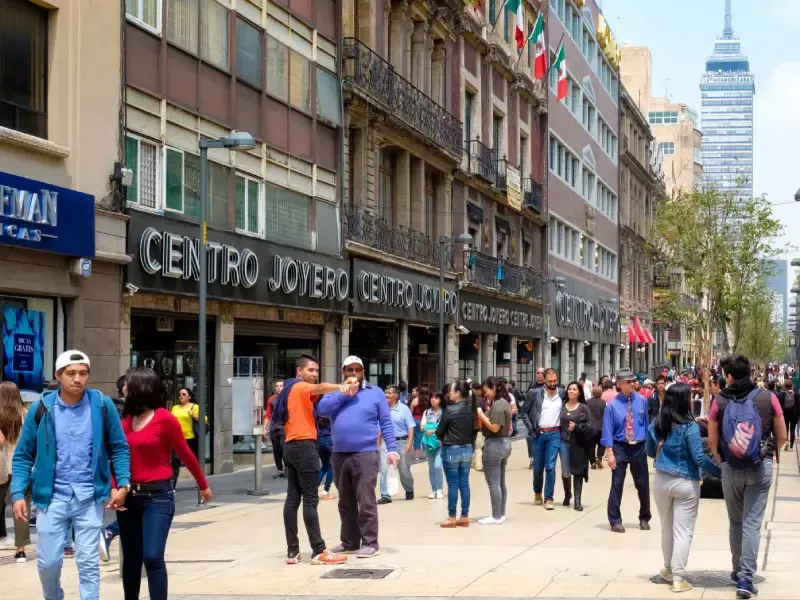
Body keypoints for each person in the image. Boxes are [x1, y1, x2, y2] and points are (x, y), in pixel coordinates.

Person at [10, 350, 131, 600]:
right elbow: (23, 455)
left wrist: (123, 483)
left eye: (83, 374)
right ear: (58, 375)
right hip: (51, 498)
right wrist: (18, 493)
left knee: (88, 563)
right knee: (48, 563)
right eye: (71, 373)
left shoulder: (101, 405)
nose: (78, 379)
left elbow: (119, 447)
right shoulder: (41, 409)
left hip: (89, 497)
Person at [118, 367, 212, 600]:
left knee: (152, 556)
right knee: (131, 558)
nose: (123, 388)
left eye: (128, 384)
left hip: (157, 497)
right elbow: (116, 455)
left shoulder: (165, 419)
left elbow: (185, 454)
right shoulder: (128, 419)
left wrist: (203, 484)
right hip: (129, 497)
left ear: (141, 387)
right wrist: (115, 486)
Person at [707, 354, 786, 599]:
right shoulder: (768, 397)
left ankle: (737, 568)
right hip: (760, 466)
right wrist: (770, 454)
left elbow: (711, 440)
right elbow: (782, 435)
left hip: (731, 467)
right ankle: (746, 578)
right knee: (752, 523)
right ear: (750, 373)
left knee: (736, 522)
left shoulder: (718, 401)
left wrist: (723, 462)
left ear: (728, 377)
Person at [317, 356, 399, 559]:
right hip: (339, 454)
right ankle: (349, 542)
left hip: (365, 453)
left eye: (357, 370)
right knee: (345, 502)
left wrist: (393, 450)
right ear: (343, 372)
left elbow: (386, 423)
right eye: (349, 370)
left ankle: (370, 542)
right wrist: (345, 394)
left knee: (366, 499)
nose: (353, 374)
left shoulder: (375, 393)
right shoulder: (335, 391)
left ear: (363, 371)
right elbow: (322, 410)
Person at [646, 383, 721, 594]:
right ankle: (679, 578)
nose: (691, 400)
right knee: (683, 531)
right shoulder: (690, 427)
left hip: (661, 480)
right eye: (689, 397)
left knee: (666, 527)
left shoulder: (657, 423)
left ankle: (669, 569)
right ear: (683, 400)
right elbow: (699, 458)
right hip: (686, 482)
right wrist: (719, 472)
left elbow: (650, 451)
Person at [282, 355, 352, 565]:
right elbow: (320, 388)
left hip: (291, 446)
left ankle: (293, 552)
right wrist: (342, 386)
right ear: (299, 371)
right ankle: (318, 550)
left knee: (292, 499)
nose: (314, 374)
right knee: (310, 501)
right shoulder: (301, 387)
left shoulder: (291, 391)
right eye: (310, 370)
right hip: (304, 447)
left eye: (316, 370)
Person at [601, 368, 651, 533]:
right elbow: (607, 430)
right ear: (620, 384)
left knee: (643, 484)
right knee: (617, 484)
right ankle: (615, 520)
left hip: (638, 446)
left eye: (633, 381)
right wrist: (610, 453)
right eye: (628, 382)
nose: (632, 384)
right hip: (620, 446)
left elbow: (646, 423)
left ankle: (644, 517)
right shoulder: (612, 406)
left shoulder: (642, 401)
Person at [436, 380, 477, 528]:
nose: (449, 393)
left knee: (453, 484)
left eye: (452, 391)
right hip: (467, 448)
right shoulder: (471, 409)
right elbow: (474, 430)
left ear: (458, 393)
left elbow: (439, 431)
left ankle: (452, 516)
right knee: (464, 483)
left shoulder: (450, 410)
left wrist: (443, 436)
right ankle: (464, 516)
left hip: (451, 448)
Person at [523, 368, 566, 510]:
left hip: (555, 433)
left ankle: (549, 498)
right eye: (550, 381)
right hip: (538, 434)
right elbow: (524, 412)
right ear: (544, 380)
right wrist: (531, 429)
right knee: (538, 467)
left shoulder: (562, 393)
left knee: (551, 467)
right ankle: (537, 492)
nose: (553, 383)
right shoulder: (535, 394)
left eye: (555, 380)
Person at [100, 373, 130, 563]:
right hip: (123, 471)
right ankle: (109, 532)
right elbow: (116, 448)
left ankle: (109, 532)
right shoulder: (118, 412)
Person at [0, 382, 30, 562]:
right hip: (21, 467)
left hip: (1, 467)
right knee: (22, 509)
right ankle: (20, 549)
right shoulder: (25, 414)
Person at [475, 377, 512, 525]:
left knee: (494, 483)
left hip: (495, 444)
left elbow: (494, 428)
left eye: (487, 391)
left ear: (494, 388)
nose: (485, 395)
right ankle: (500, 513)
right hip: (503, 444)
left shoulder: (498, 405)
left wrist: (481, 415)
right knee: (500, 482)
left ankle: (496, 515)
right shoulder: (504, 403)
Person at [377, 385, 415, 503]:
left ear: (396, 396)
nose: (386, 395)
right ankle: (385, 495)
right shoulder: (382, 409)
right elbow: (380, 428)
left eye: (389, 393)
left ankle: (409, 489)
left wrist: (409, 443)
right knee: (383, 468)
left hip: (402, 442)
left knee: (404, 470)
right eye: (386, 393)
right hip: (387, 442)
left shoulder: (404, 409)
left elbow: (410, 427)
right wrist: (377, 444)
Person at [560, 381, 594, 511]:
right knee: (565, 471)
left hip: (578, 443)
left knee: (578, 472)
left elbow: (589, 427)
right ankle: (567, 494)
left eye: (574, 389)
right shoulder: (562, 405)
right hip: (563, 441)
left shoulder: (583, 407)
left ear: (579, 392)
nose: (571, 391)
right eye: (569, 389)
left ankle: (577, 500)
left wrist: (577, 427)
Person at [170, 386, 201, 486]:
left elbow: (203, 419)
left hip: (190, 438)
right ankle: (173, 485)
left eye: (184, 394)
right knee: (175, 462)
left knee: (193, 461)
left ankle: (200, 482)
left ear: (189, 397)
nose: (181, 396)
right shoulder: (175, 408)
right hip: (177, 439)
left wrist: (194, 415)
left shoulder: (194, 407)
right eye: (179, 394)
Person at [420, 392, 444, 499]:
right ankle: (433, 489)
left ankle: (439, 489)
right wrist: (436, 427)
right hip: (429, 443)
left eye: (436, 398)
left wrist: (433, 429)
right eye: (432, 397)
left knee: (438, 466)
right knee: (431, 467)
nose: (433, 400)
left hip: (440, 443)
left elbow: (446, 427)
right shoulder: (426, 412)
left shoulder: (444, 412)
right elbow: (421, 427)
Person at [265, 380, 286, 478]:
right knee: (276, 450)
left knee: (284, 448)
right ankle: (279, 469)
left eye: (281, 386)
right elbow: (268, 415)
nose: (279, 387)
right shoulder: (271, 399)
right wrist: (264, 428)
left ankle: (288, 468)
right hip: (273, 428)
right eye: (277, 386)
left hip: (284, 428)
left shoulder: (288, 398)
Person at [315, 403, 334, 499]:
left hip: (319, 440)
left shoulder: (316, 413)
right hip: (330, 439)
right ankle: (326, 490)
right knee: (331, 466)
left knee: (324, 466)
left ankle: (314, 487)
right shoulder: (331, 413)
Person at [586, 385, 606, 469]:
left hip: (590, 427)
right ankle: (599, 457)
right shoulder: (603, 402)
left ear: (592, 392)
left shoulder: (587, 402)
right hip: (600, 427)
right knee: (602, 444)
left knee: (591, 445)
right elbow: (605, 415)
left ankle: (592, 462)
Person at [410, 387, 429, 460]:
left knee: (417, 438)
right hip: (425, 420)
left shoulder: (415, 400)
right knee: (426, 437)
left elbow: (411, 411)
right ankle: (427, 455)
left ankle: (417, 455)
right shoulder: (429, 401)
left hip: (416, 420)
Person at [780, 378, 797, 450]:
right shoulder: (796, 394)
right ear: (791, 386)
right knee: (792, 430)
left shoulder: (783, 394)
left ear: (785, 386)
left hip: (785, 414)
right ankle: (791, 446)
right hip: (794, 414)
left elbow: (780, 405)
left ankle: (786, 441)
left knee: (786, 428)